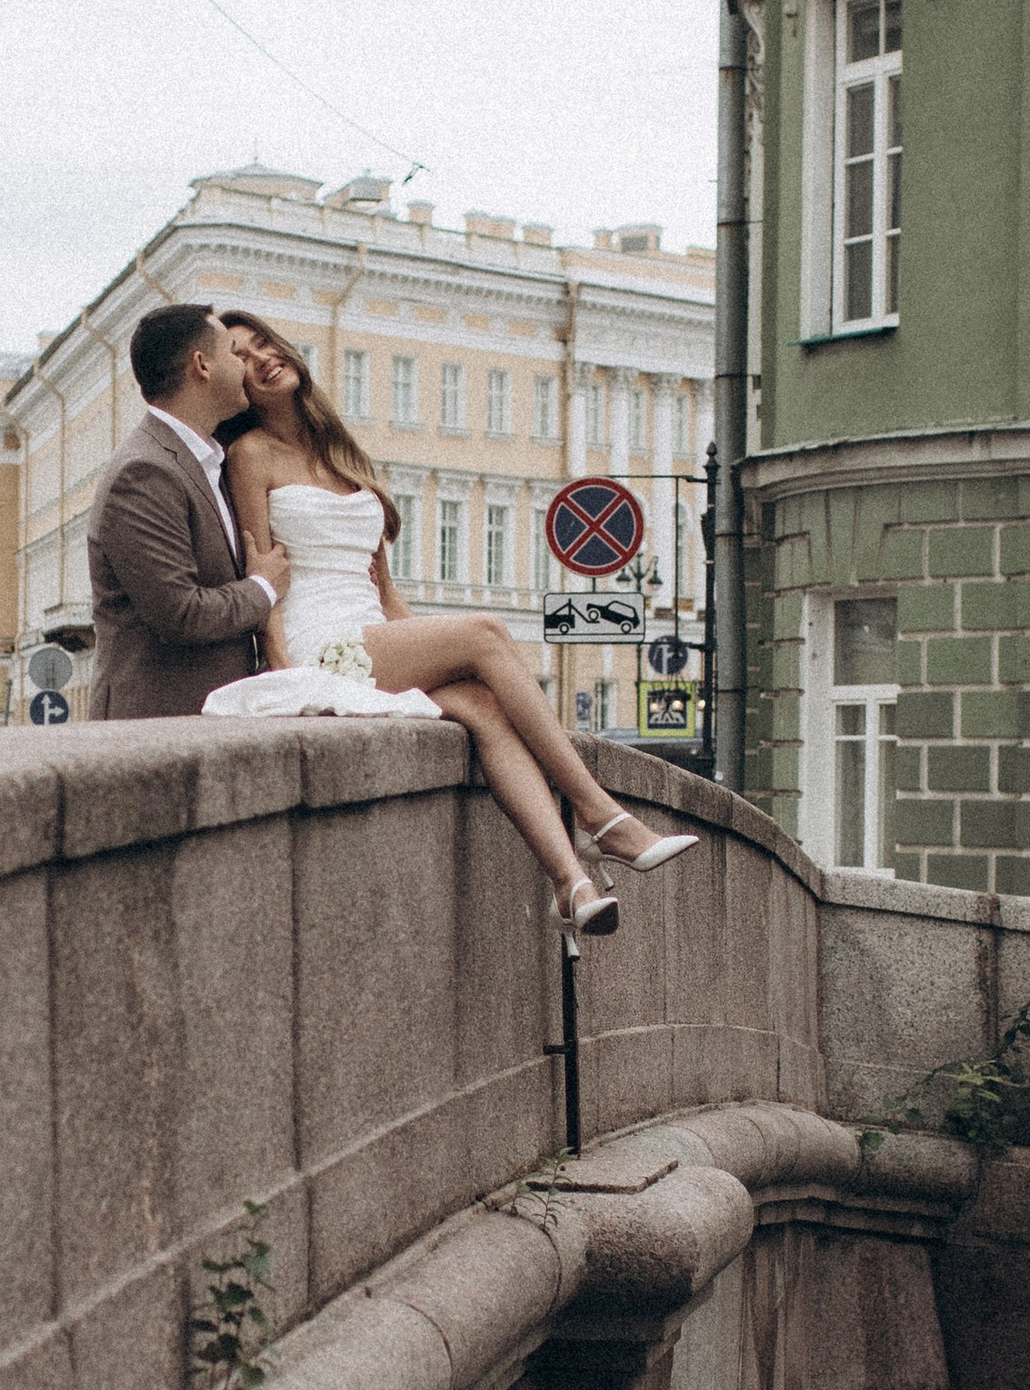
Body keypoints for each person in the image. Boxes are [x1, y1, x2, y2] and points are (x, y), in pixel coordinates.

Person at [206, 313, 694, 937]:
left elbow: (383, 588)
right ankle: (599, 813)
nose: (261, 359)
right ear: (237, 385)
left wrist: (428, 646)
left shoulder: (342, 451)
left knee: (487, 710)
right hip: (319, 645)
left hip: (373, 634)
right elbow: (265, 579)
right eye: (241, 357)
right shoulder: (250, 455)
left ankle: (570, 884)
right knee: (486, 633)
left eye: (264, 343)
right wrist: (287, 674)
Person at [85, 303, 293, 721]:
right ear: (202, 365)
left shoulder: (205, 462)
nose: (243, 367)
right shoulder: (144, 472)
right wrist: (263, 588)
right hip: (152, 729)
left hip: (201, 723)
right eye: (234, 354)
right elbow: (182, 613)